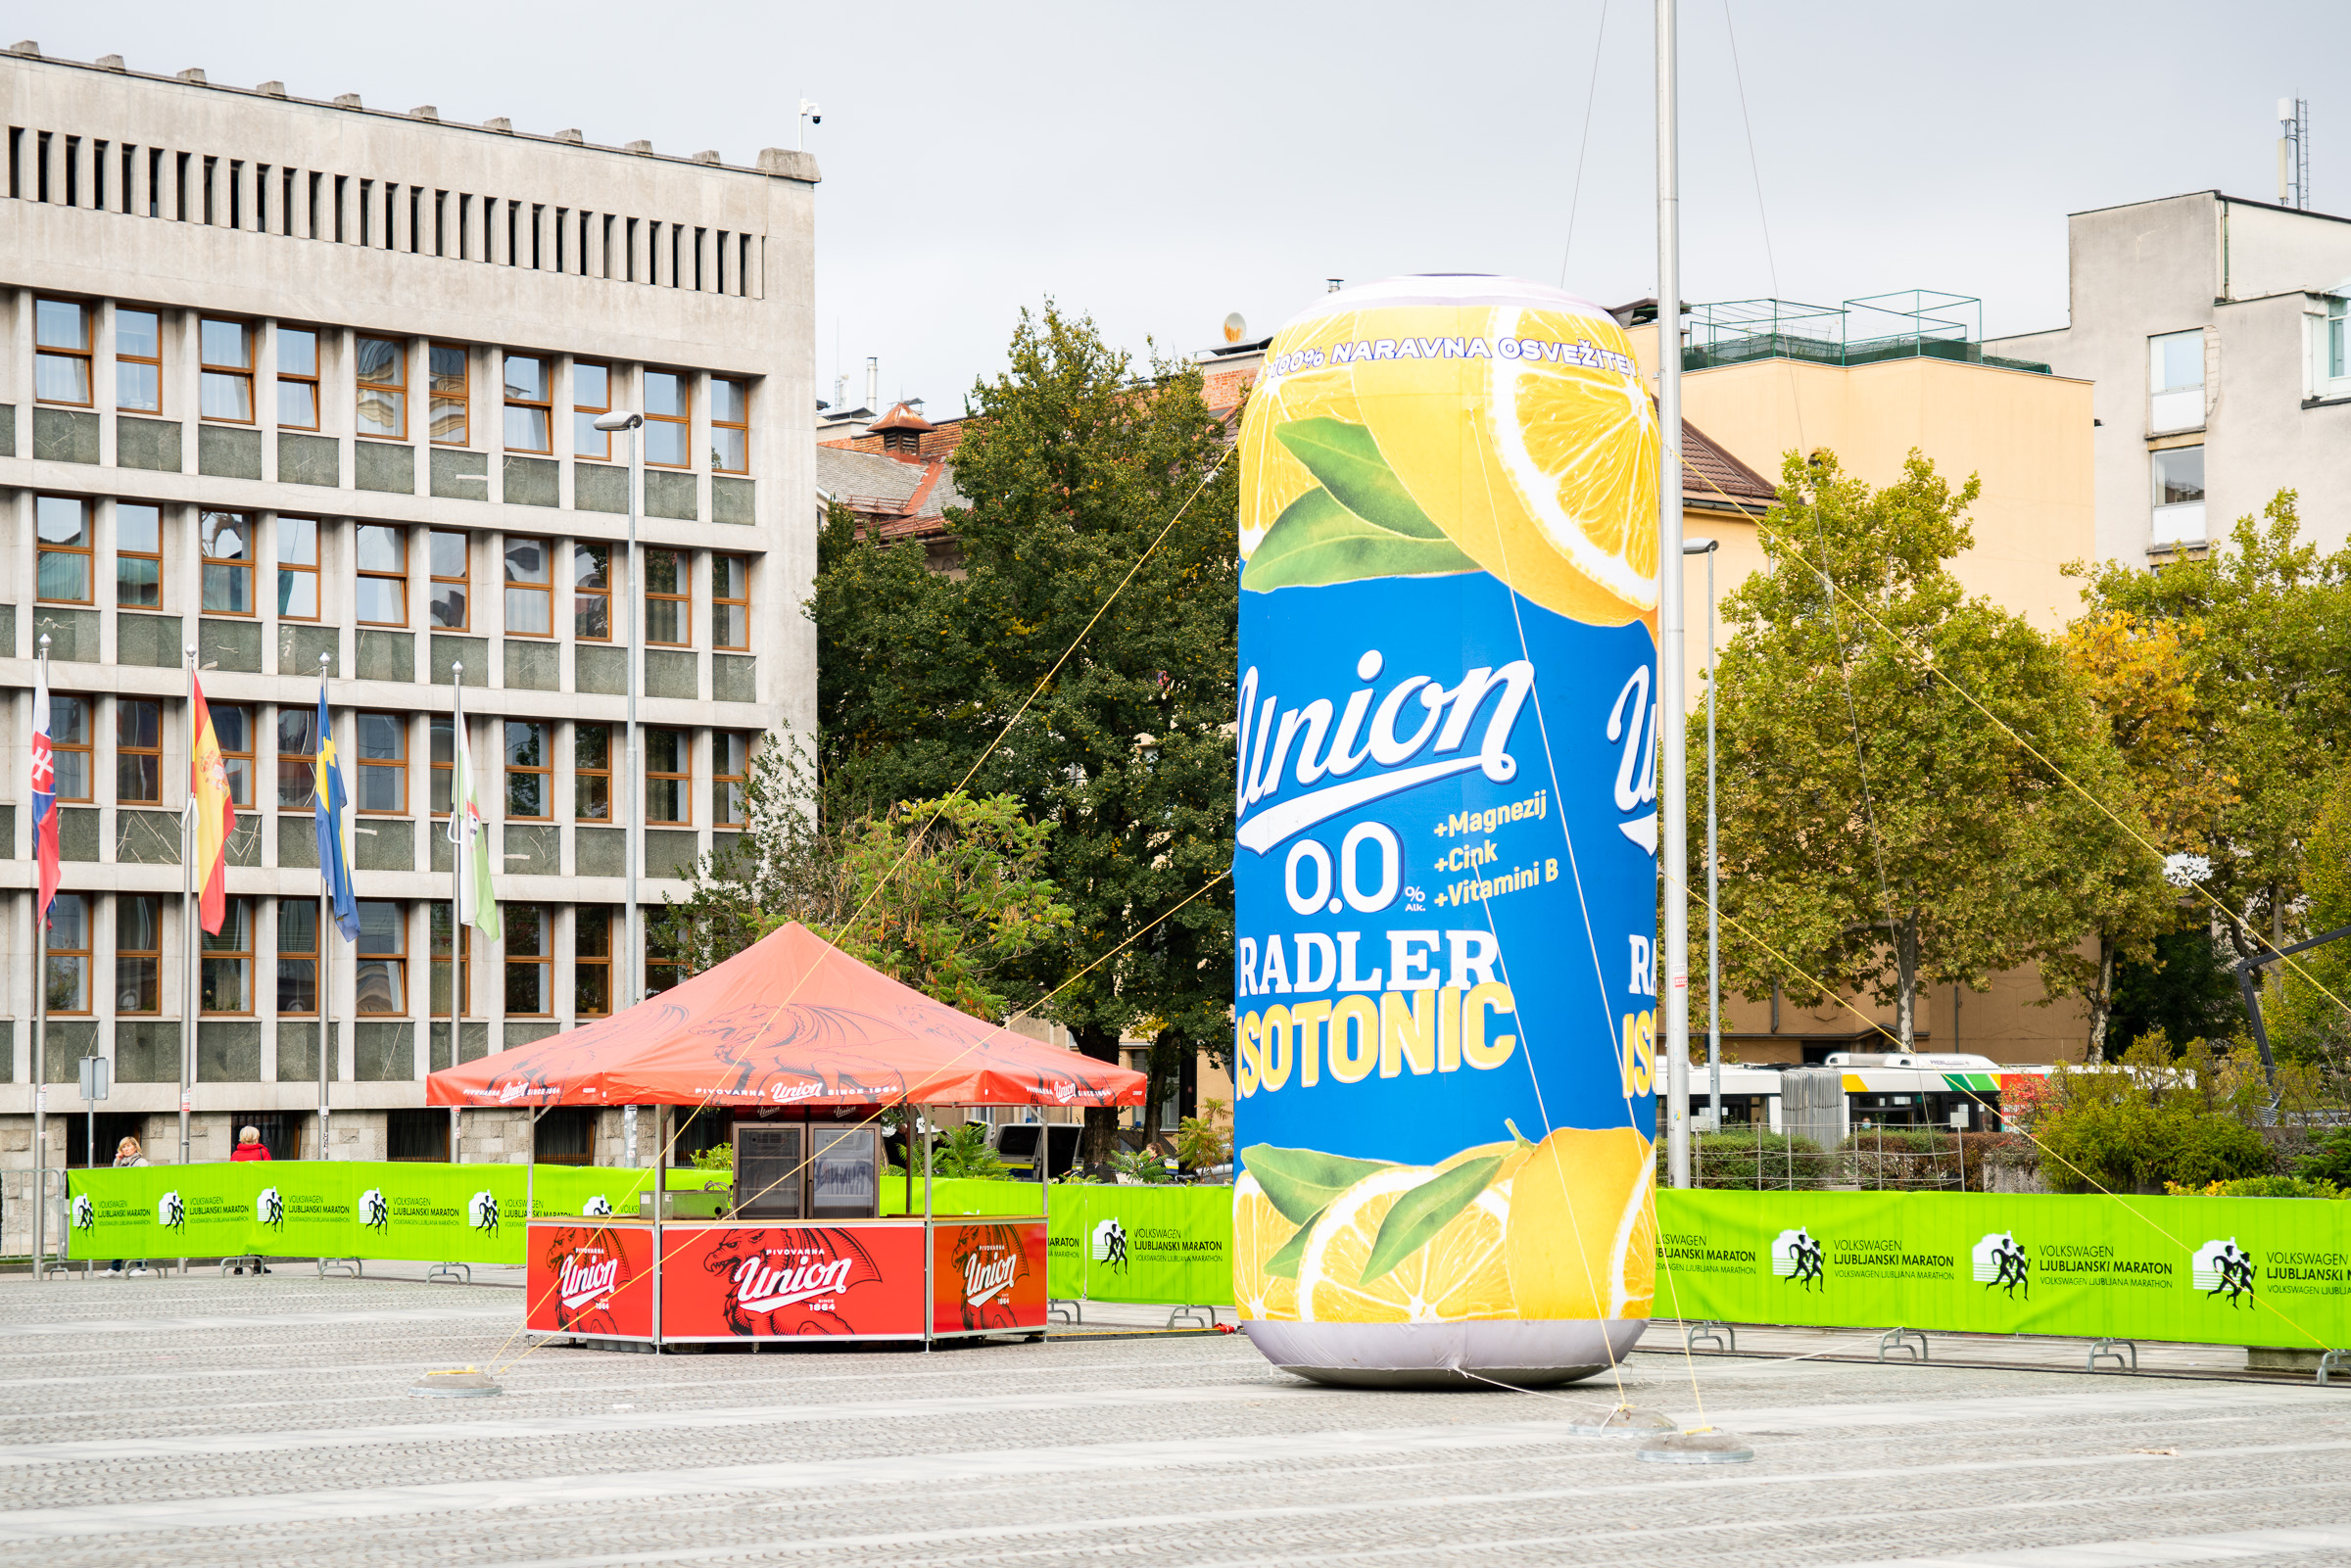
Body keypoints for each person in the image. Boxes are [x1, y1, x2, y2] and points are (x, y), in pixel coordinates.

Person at [104, 1136, 151, 1279]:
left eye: (129, 1146)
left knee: (137, 1235)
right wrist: (117, 1161)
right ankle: (115, 1267)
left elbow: (146, 1180)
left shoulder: (141, 1162)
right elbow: (115, 1178)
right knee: (119, 1235)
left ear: (135, 1147)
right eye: (123, 1147)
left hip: (137, 1203)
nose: (126, 1149)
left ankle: (141, 1267)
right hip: (124, 1203)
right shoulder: (122, 1163)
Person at [230, 1127, 272, 1275]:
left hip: (241, 1197)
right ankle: (258, 1264)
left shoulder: (236, 1155)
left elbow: (232, 1176)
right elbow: (270, 1174)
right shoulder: (262, 1153)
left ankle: (238, 1265)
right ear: (256, 1137)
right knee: (259, 1230)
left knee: (241, 1230)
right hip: (258, 1197)